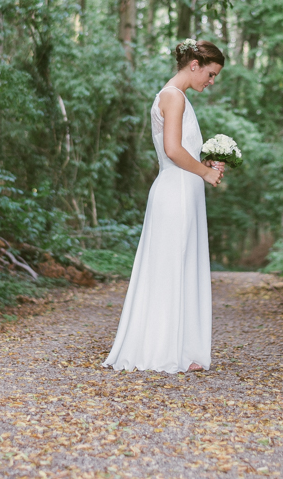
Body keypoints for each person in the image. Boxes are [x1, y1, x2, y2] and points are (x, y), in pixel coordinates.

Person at [102, 39, 226, 373]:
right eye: (211, 74)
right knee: (171, 267)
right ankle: (163, 351)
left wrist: (207, 163)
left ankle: (179, 348)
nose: (210, 82)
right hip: (176, 192)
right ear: (195, 65)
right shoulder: (173, 96)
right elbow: (172, 150)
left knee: (179, 267)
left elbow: (182, 147)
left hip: (182, 190)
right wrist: (204, 173)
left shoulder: (177, 97)